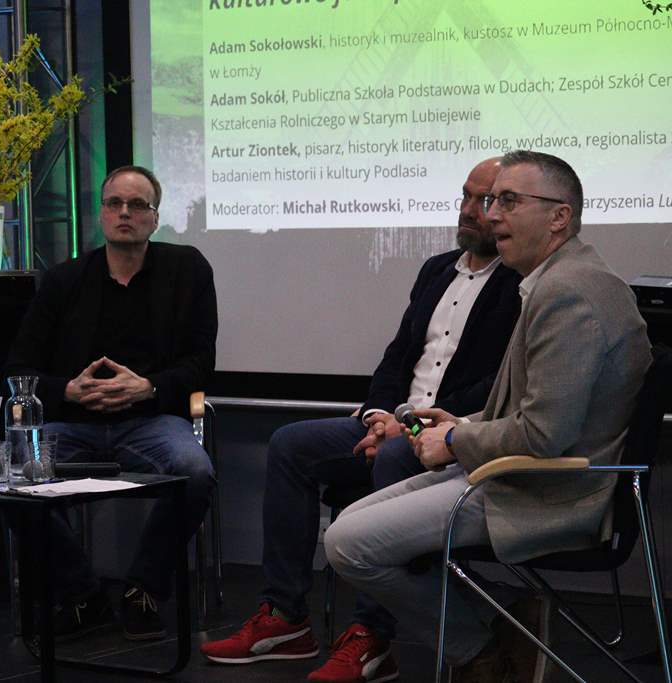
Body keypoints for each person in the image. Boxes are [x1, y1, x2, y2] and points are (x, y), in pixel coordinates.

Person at [324, 150, 650, 681]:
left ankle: (480, 644)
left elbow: (543, 435)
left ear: (559, 216)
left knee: (349, 545)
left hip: (545, 489)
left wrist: (455, 441)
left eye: (509, 201)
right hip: (515, 472)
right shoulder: (558, 279)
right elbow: (533, 411)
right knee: (345, 530)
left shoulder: (569, 294)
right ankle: (505, 619)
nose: (491, 214)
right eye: (492, 200)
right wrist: (464, 424)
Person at [201, 157, 523, 682]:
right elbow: (398, 356)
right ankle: (285, 617)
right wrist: (381, 415)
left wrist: (410, 426)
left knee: (395, 455)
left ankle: (373, 635)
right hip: (395, 420)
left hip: (452, 432)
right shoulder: (437, 268)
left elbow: (498, 384)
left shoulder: (521, 281)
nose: (469, 210)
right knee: (291, 444)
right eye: (466, 195)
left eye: (485, 200)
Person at [5, 165, 218, 641]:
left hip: (151, 420)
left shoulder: (187, 270)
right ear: (101, 214)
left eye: (137, 205)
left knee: (195, 472)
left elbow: (202, 362)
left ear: (155, 217)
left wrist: (149, 387)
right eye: (114, 204)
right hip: (71, 424)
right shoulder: (64, 280)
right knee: (11, 479)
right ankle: (82, 594)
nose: (125, 213)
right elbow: (19, 368)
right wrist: (67, 390)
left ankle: (143, 590)